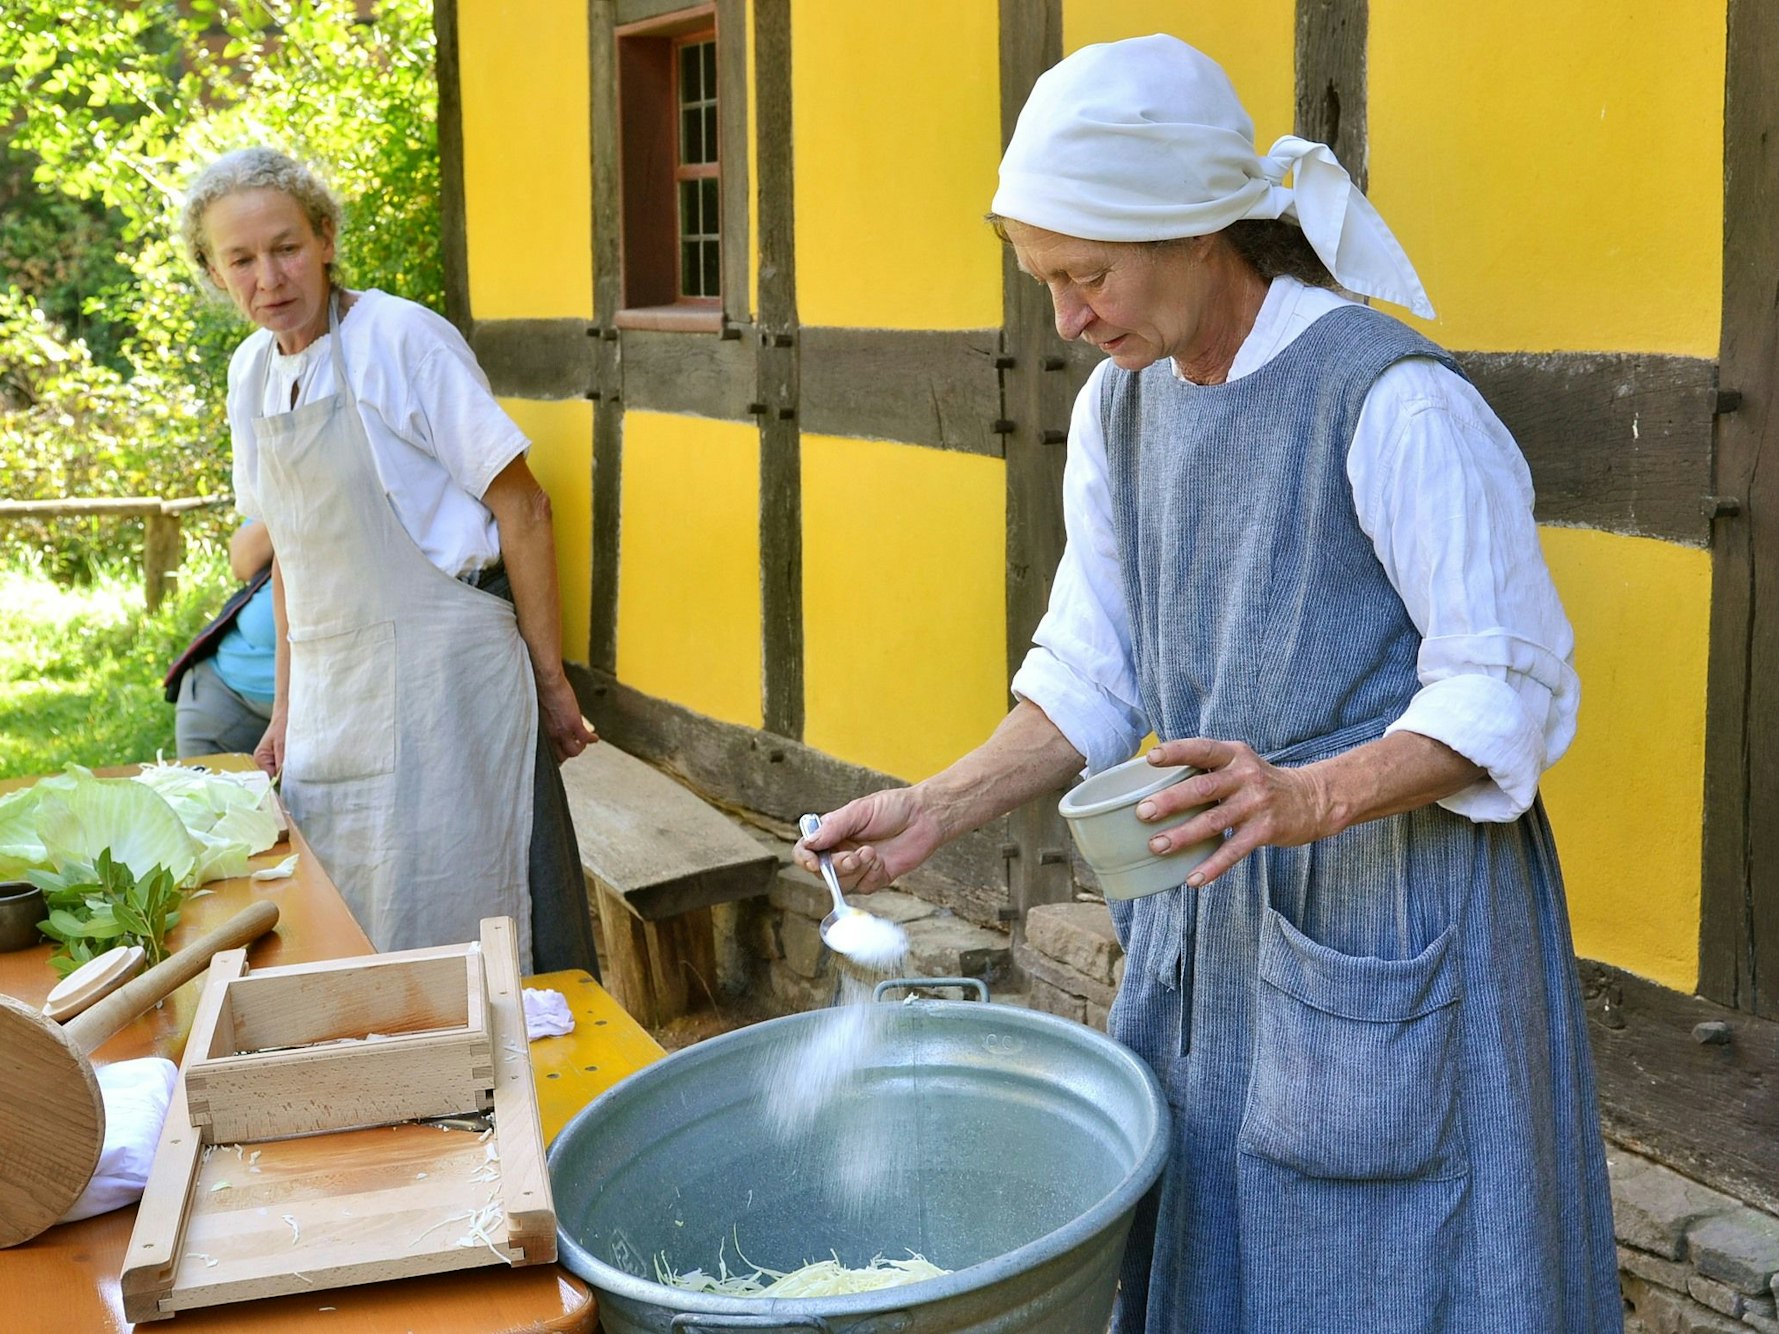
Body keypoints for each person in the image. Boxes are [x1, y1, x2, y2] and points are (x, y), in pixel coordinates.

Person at [796, 35, 1619, 1333]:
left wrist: (1300, 798)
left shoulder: (1392, 404)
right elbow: (1090, 667)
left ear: (1191, 231)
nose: (1066, 318)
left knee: (1408, 1262)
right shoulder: (1122, 410)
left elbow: (1504, 687)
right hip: (1216, 914)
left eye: (1085, 276)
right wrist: (936, 809)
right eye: (1044, 283)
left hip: (1392, 914)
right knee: (1220, 1250)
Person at [179, 145, 600, 978]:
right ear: (216, 273)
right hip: (338, 697)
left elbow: (524, 506)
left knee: (480, 923)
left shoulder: (400, 339)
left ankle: (536, 1101)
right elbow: (292, 555)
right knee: (351, 928)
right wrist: (286, 715)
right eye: (242, 259)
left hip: (449, 677)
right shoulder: (251, 375)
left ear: (326, 236)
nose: (270, 276)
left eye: (287, 246)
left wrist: (549, 681)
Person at [165, 519, 276, 757]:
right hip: (222, 689)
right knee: (201, 791)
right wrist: (292, 504)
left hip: (318, 708)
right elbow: (241, 563)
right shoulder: (284, 489)